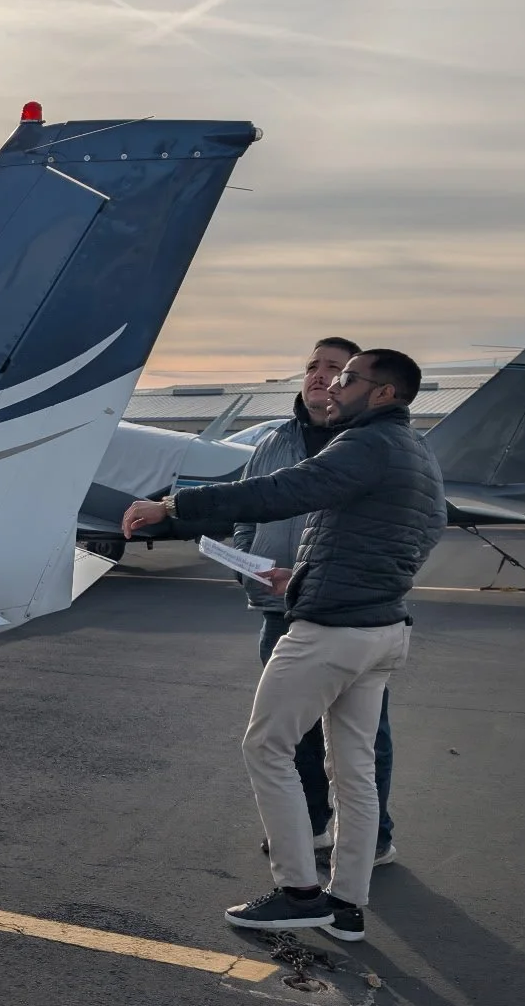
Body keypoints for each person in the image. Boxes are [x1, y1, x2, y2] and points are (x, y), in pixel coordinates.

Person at [122, 349, 446, 942]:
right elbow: (404, 538)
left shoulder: (365, 445)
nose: (333, 386)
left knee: (266, 747)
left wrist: (173, 506)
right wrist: (296, 579)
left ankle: (298, 892)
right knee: (355, 770)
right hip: (381, 631)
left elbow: (281, 492)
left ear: (384, 394)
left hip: (331, 633)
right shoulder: (416, 452)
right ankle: (345, 904)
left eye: (348, 378)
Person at [176, 338, 397, 864]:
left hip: (341, 614)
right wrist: (246, 562)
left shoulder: (370, 445)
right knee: (292, 735)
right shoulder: (274, 441)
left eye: (336, 369)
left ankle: (374, 838)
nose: (321, 376)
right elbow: (250, 511)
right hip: (277, 612)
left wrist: (172, 506)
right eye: (312, 367)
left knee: (359, 738)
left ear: (359, 385)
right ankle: (312, 827)